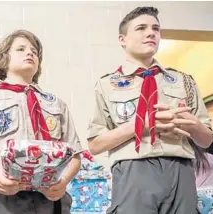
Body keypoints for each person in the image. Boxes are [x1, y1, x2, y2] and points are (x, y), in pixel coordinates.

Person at [86, 6, 213, 214]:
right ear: (122, 40)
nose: (150, 33)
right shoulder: (107, 85)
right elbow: (95, 144)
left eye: (156, 28)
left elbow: (207, 141)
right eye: (141, 28)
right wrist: (142, 125)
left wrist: (191, 123)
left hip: (181, 170)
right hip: (134, 171)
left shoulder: (184, 81)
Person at [0, 29, 83, 214]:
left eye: (34, 51)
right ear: (4, 58)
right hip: (5, 199)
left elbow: (75, 155)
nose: (30, 53)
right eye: (21, 49)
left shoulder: (56, 104)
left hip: (51, 200)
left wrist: (63, 182)